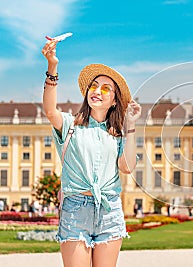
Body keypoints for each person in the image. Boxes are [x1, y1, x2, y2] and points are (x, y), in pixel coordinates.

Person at [42, 38, 141, 267]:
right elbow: (49, 110)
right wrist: (52, 66)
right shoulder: (70, 125)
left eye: (106, 88)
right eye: (94, 86)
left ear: (115, 101)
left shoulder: (117, 134)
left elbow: (126, 167)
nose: (97, 91)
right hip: (76, 209)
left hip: (109, 210)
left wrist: (131, 126)